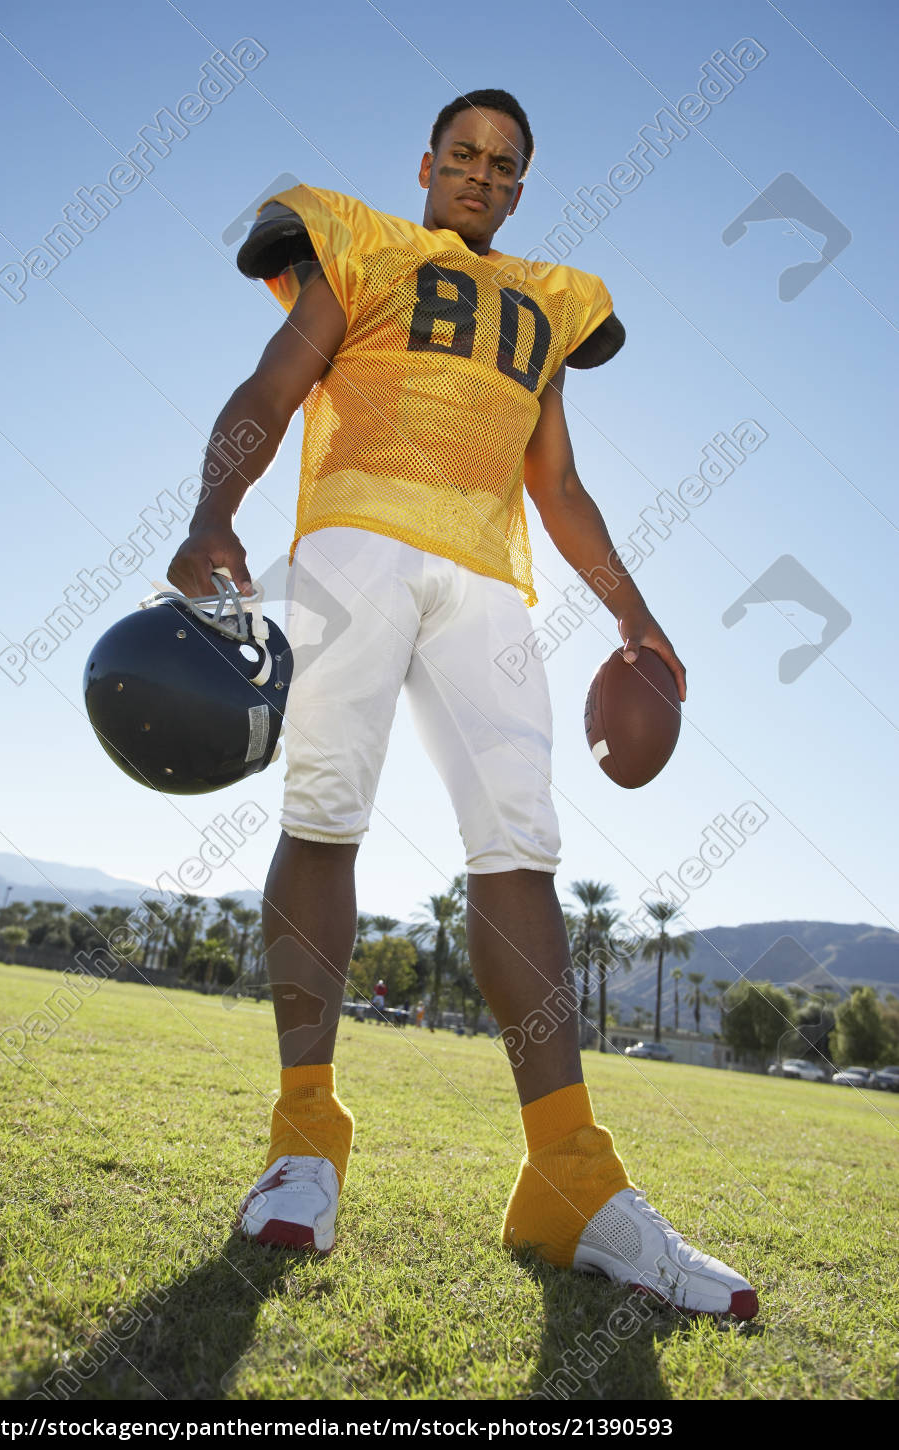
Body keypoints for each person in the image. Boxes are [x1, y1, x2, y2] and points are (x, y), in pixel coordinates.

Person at [168, 89, 757, 1317]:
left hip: (489, 580)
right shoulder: (364, 246)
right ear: (427, 163)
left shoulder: (546, 302)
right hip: (352, 543)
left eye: (506, 163)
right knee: (325, 813)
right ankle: (303, 1138)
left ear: (523, 186)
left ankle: (568, 1180)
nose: (481, 174)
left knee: (521, 851)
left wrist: (636, 614)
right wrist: (210, 515)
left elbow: (560, 485)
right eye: (464, 154)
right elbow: (274, 385)